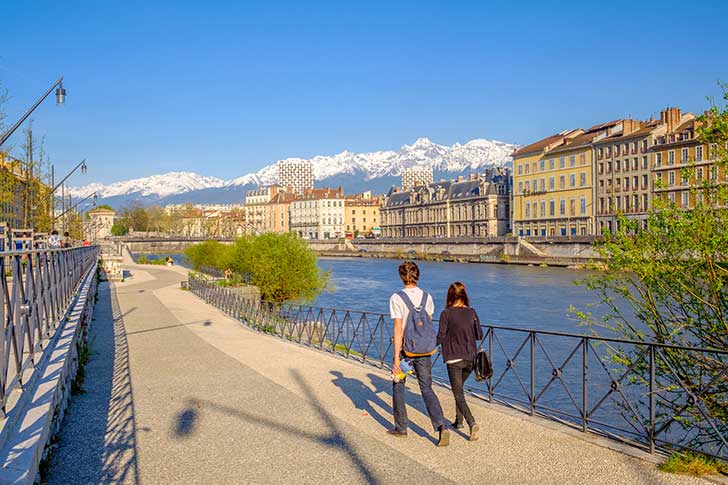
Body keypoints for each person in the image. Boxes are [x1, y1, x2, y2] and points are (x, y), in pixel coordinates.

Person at [388, 261, 450, 447]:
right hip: (424, 349)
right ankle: (441, 426)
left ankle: (401, 427)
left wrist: (396, 357)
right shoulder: (427, 297)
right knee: (427, 388)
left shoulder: (396, 298)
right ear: (417, 276)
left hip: (406, 350)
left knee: (398, 385)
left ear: (401, 276)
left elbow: (398, 329)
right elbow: (427, 324)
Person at [436, 282, 484, 441]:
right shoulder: (472, 312)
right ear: (464, 295)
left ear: (449, 296)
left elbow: (441, 337)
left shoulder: (446, 314)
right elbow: (479, 335)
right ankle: (458, 421)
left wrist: (425, 346)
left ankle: (472, 423)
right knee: (460, 390)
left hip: (454, 359)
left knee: (458, 393)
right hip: (470, 359)